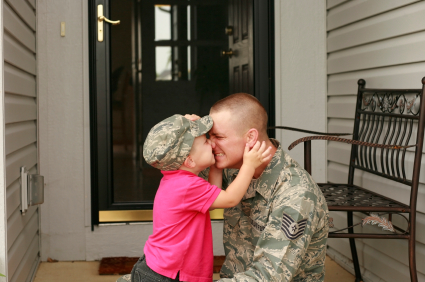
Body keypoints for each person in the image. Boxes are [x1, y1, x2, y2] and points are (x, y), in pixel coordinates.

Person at [188, 93, 330, 281]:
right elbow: (176, 179)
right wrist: (183, 133)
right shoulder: (231, 169)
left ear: (250, 137)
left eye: (218, 136)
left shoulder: (296, 194)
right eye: (208, 136)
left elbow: (267, 277)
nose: (211, 144)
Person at [128, 114, 272, 282]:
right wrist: (249, 165)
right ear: (189, 161)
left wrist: (216, 168)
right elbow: (230, 199)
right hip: (169, 275)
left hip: (160, 268)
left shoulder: (176, 178)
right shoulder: (187, 186)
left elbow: (212, 201)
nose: (211, 143)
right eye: (205, 141)